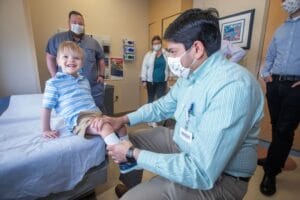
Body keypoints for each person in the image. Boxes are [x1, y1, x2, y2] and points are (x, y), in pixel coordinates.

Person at [100, 8, 264, 199]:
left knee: (133, 179)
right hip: (185, 143)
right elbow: (162, 106)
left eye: (172, 51)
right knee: (131, 140)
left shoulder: (233, 87)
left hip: (221, 177)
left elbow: (201, 171)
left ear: (196, 49)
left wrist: (134, 155)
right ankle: (131, 186)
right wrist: (123, 119)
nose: (170, 58)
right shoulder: (191, 74)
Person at [42, 41, 136, 173]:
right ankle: (124, 160)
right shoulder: (53, 83)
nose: (71, 60)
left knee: (121, 126)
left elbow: (88, 100)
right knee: (105, 127)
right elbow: (46, 108)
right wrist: (46, 129)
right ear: (57, 61)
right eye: (65, 57)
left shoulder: (84, 80)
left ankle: (128, 152)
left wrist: (101, 116)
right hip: (78, 118)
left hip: (95, 114)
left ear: (82, 62)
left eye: (76, 57)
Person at [259, 0, 300, 196]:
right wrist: (266, 74)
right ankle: (273, 160)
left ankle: (271, 172)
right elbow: (270, 56)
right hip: (275, 84)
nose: (285, 2)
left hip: (296, 87)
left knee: (284, 130)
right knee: (276, 125)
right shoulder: (281, 29)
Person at [46, 10, 106, 113]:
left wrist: (101, 75)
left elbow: (101, 59)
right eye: (74, 23)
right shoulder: (57, 39)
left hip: (92, 86)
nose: (78, 25)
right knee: (72, 111)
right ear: (68, 24)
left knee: (97, 112)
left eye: (81, 24)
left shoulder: (92, 42)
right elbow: (50, 57)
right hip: (68, 88)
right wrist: (54, 76)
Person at [141, 35, 170, 127]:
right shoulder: (149, 55)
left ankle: (158, 119)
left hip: (162, 81)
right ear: (152, 45)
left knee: (161, 100)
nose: (156, 45)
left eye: (158, 43)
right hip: (151, 81)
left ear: (161, 44)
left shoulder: (166, 54)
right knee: (151, 100)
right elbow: (144, 67)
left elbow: (170, 66)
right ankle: (150, 119)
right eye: (154, 43)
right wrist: (143, 80)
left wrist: (171, 76)